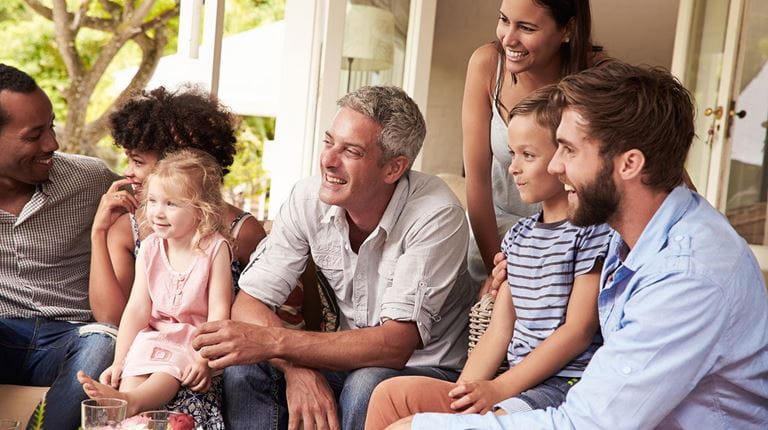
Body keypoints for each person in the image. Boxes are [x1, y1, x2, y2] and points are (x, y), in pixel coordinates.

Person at [390, 61, 768, 429]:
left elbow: (588, 422)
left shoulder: (687, 276)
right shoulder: (638, 236)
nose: (555, 167)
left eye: (569, 150)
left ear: (629, 164)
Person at [191, 85, 475, 430]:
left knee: (367, 385)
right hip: (346, 361)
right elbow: (249, 304)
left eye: (351, 151)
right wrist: (297, 368)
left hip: (425, 369)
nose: (328, 160)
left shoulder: (436, 215)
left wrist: (274, 341)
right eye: (329, 142)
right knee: (247, 367)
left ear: (393, 168)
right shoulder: (308, 197)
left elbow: (394, 346)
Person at [365, 86, 612, 429]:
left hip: (561, 388)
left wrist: (498, 388)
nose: (513, 168)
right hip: (512, 384)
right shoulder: (518, 238)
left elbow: (578, 331)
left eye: (528, 154)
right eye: (512, 154)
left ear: (563, 157)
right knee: (390, 395)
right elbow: (500, 329)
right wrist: (464, 393)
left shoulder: (592, 232)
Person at [0, 63, 117, 429]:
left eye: (51, 125)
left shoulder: (89, 178)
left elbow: (171, 200)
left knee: (105, 341)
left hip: (74, 337)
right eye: (35, 135)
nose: (53, 143)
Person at [77, 149, 233, 417]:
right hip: (156, 335)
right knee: (138, 358)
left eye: (171, 204)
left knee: (166, 367)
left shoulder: (215, 248)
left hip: (194, 339)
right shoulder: (150, 247)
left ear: (201, 209)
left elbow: (219, 312)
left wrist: (203, 359)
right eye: (152, 201)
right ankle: (125, 410)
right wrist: (119, 361)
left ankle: (131, 402)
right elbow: (137, 309)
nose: (158, 212)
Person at [464, 0, 600, 290]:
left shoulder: (595, 74)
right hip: (496, 235)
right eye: (504, 20)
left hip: (568, 236)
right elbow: (476, 181)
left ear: (568, 29)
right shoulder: (487, 64)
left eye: (526, 28)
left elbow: (647, 154)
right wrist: (496, 269)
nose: (508, 39)